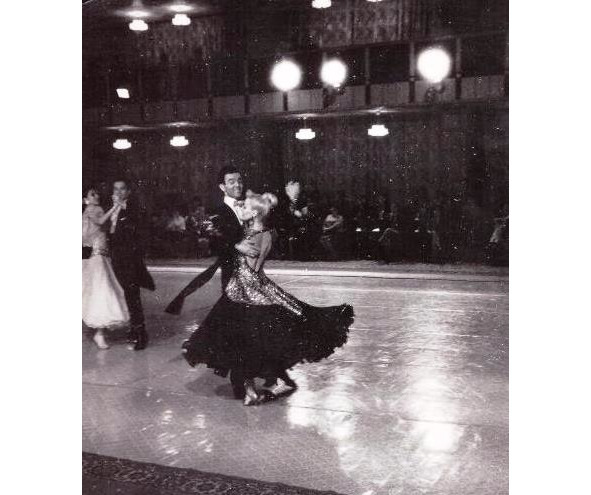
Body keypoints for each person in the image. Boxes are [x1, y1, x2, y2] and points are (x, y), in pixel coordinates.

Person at [176, 191, 354, 406]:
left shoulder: (258, 236)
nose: (240, 209)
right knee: (243, 342)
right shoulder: (254, 231)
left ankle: (252, 388)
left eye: (244, 207)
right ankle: (257, 385)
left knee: (246, 342)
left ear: (253, 213)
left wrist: (236, 249)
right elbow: (225, 239)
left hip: (247, 296)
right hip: (243, 293)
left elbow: (250, 273)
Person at [165, 166, 260, 399]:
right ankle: (242, 383)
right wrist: (237, 245)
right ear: (222, 186)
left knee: (247, 326)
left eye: (239, 180)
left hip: (253, 274)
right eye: (231, 181)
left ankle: (244, 378)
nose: (237, 184)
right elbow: (216, 243)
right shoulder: (217, 211)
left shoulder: (249, 206)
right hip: (233, 275)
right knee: (240, 329)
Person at [109, 179, 155, 351]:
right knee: (124, 293)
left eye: (122, 189)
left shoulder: (134, 208)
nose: (118, 192)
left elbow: (140, 228)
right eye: (116, 189)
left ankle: (140, 333)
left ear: (128, 192)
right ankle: (133, 329)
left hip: (129, 259)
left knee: (132, 294)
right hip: (115, 258)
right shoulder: (111, 209)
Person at [82, 187, 130, 349]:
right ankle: (99, 333)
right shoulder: (91, 209)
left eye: (97, 193)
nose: (96, 196)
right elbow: (101, 222)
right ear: (85, 199)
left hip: (102, 253)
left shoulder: (95, 209)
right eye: (92, 194)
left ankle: (99, 332)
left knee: (103, 290)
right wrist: (115, 207)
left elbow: (105, 227)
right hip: (97, 255)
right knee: (103, 291)